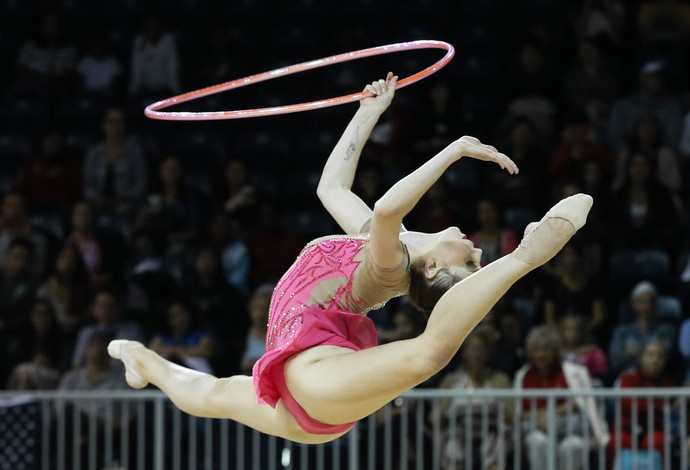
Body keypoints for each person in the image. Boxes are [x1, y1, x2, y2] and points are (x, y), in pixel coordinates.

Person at [109, 73, 594, 444]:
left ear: (431, 270)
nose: (476, 249)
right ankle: (145, 360)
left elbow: (386, 209)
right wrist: (369, 111)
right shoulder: (386, 246)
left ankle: (527, 256)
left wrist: (454, 151)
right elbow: (332, 188)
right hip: (314, 399)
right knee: (213, 395)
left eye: (471, 265)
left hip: (319, 378)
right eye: (478, 261)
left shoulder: (390, 268)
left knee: (431, 353)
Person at [514, 326, 609, 470]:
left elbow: (579, 403)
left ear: (554, 350)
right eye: (536, 349)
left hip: (572, 430)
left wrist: (550, 414)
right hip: (538, 429)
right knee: (537, 440)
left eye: (545, 349)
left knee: (572, 445)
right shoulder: (523, 375)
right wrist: (543, 416)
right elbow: (521, 412)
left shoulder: (574, 371)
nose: (541, 354)